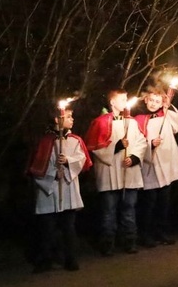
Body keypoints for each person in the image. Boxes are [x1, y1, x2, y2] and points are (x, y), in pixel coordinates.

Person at [26, 105, 92, 272]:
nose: (72, 119)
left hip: (68, 190)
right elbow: (36, 167)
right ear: (57, 119)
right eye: (69, 116)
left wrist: (68, 161)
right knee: (47, 229)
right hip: (48, 192)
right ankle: (45, 260)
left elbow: (82, 161)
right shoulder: (44, 142)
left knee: (68, 228)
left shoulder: (75, 140)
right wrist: (53, 175)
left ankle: (70, 259)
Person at [85, 89, 148, 255]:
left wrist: (134, 157)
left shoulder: (132, 122)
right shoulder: (101, 122)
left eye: (126, 99)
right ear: (112, 102)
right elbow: (94, 147)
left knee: (129, 209)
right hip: (110, 173)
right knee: (109, 211)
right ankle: (107, 244)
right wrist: (117, 146)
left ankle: (129, 241)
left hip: (129, 171)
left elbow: (141, 142)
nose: (125, 102)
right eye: (122, 99)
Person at [134, 89, 178, 247]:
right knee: (148, 204)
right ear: (145, 100)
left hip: (165, 165)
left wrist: (169, 107)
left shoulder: (166, 115)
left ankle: (161, 232)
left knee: (163, 203)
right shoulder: (138, 119)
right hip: (149, 165)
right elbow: (135, 141)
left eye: (157, 101)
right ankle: (146, 235)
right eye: (151, 100)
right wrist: (150, 145)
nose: (153, 104)